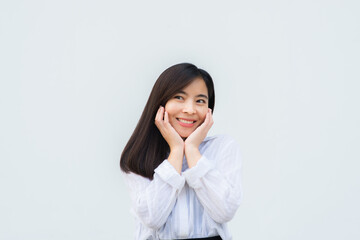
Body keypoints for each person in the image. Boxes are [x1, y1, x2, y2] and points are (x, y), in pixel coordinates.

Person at [120, 63, 242, 240]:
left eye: (200, 101)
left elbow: (225, 211)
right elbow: (152, 218)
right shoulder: (138, 156)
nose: (190, 110)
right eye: (179, 97)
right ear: (160, 104)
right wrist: (176, 151)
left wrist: (192, 151)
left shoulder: (223, 147)